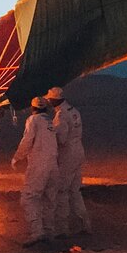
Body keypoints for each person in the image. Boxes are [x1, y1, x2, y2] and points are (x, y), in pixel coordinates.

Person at [11, 97, 59, 247]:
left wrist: (17, 157)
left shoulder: (33, 120)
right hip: (53, 165)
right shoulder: (50, 122)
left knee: (29, 197)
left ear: (33, 108)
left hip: (39, 164)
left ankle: (37, 232)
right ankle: (49, 231)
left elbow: (27, 140)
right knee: (49, 198)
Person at [45, 86, 92, 236]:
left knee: (62, 191)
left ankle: (63, 228)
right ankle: (85, 223)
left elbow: (62, 138)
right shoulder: (74, 111)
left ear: (54, 100)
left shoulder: (61, 115)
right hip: (79, 150)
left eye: (49, 99)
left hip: (68, 155)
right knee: (75, 190)